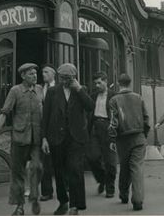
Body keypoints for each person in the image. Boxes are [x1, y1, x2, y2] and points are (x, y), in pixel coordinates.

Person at [42, 63, 94, 215]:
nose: (64, 81)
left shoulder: (80, 90)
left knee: (75, 169)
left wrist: (78, 89)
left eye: (68, 78)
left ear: (74, 77)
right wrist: (44, 138)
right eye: (62, 78)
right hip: (56, 138)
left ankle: (75, 206)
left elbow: (90, 107)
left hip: (76, 138)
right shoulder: (52, 92)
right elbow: (45, 116)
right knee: (58, 171)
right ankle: (63, 202)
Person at [0, 63, 43, 216]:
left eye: (35, 73)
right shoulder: (15, 91)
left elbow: (45, 112)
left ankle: (34, 197)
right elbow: (4, 113)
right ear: (23, 76)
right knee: (17, 173)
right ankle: (19, 206)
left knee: (37, 168)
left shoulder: (40, 90)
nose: (34, 76)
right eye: (31, 74)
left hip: (37, 138)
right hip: (20, 137)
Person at [108, 74, 149, 211]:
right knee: (136, 168)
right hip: (139, 136)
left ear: (119, 83)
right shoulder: (139, 98)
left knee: (124, 166)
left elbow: (113, 122)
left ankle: (124, 193)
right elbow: (146, 118)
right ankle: (137, 200)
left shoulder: (114, 100)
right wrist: (144, 134)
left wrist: (112, 138)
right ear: (130, 83)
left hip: (122, 139)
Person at [86, 71, 116, 198]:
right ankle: (102, 179)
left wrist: (115, 127)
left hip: (108, 127)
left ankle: (110, 187)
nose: (97, 85)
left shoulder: (113, 96)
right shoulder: (93, 96)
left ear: (106, 81)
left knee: (109, 160)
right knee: (92, 157)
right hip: (95, 127)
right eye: (95, 83)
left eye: (99, 82)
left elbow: (118, 113)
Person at [40, 64, 56, 202]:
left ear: (53, 74)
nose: (43, 74)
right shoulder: (40, 88)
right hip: (44, 128)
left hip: (58, 129)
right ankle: (46, 191)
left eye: (46, 72)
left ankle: (67, 187)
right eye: (42, 72)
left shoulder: (59, 88)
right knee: (45, 162)